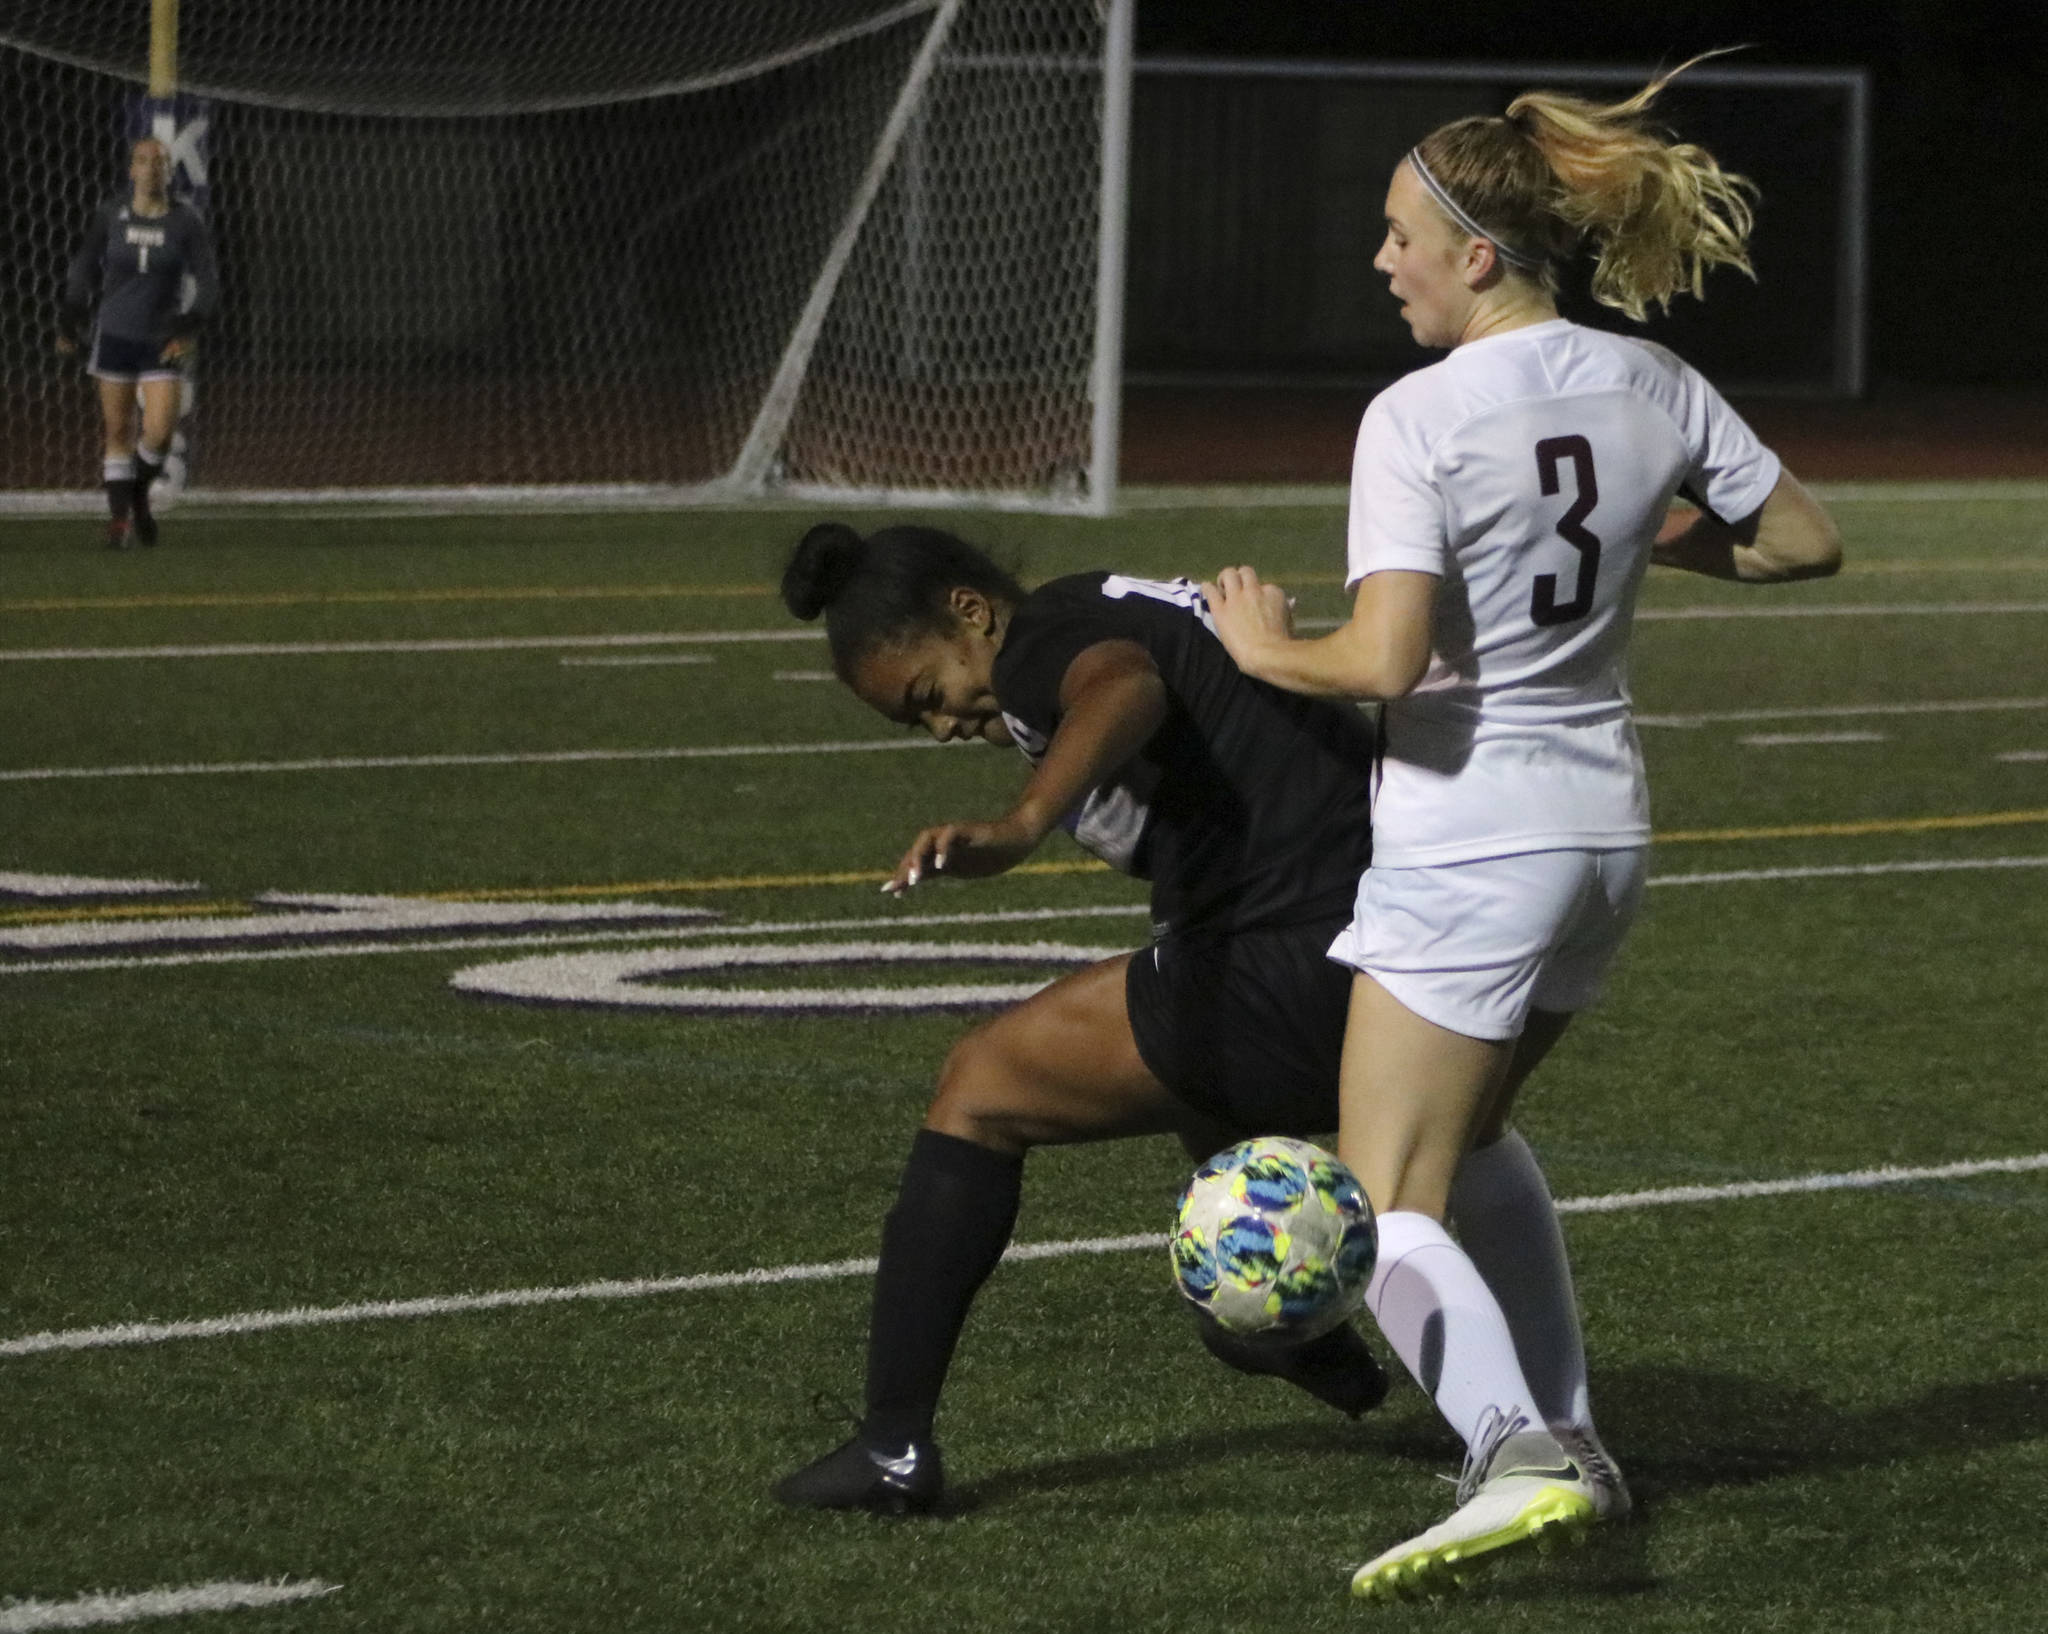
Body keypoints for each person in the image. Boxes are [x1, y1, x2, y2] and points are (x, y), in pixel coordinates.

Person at [1201, 61, 1842, 1600]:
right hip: (1604, 832)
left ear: (1477, 253)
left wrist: (1254, 643)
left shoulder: (1417, 413)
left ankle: (1516, 1449)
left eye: (1397, 236)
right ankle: (1568, 1428)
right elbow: (1806, 541)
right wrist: (1645, 536)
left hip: (1474, 832)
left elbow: (1383, 661)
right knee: (1474, 1137)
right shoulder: (1651, 380)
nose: (1382, 261)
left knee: (1383, 1195)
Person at [771, 520, 1392, 1515]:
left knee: (977, 1086)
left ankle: (890, 1444)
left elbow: (1123, 684)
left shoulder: (1040, 642)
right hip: (1390, 942)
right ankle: (1289, 1328)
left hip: (1299, 959)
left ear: (967, 613)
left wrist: (1021, 824)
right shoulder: (1095, 598)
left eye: (929, 693)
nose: (939, 727)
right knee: (1194, 1092)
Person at [59, 136, 219, 549]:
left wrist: (187, 326)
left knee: (160, 432)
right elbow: (81, 267)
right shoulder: (110, 214)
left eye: (160, 162)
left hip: (160, 338)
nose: (152, 168)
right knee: (118, 431)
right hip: (113, 334)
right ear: (131, 170)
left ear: (169, 171)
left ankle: (136, 497)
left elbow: (208, 282)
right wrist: (70, 317)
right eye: (144, 161)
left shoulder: (185, 221)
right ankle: (120, 522)